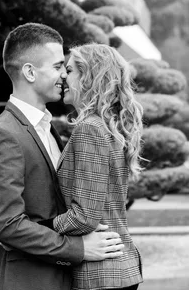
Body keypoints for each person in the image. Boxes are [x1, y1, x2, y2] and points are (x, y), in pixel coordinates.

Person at [0, 23, 125, 290]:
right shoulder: (5, 135)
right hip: (29, 281)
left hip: (64, 279)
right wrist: (78, 248)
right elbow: (7, 226)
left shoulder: (50, 127)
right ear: (30, 72)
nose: (64, 75)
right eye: (58, 67)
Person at [40, 43, 144, 290]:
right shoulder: (105, 127)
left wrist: (40, 228)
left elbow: (85, 217)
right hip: (114, 272)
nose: (64, 76)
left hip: (101, 276)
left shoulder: (90, 129)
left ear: (90, 77)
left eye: (70, 70)